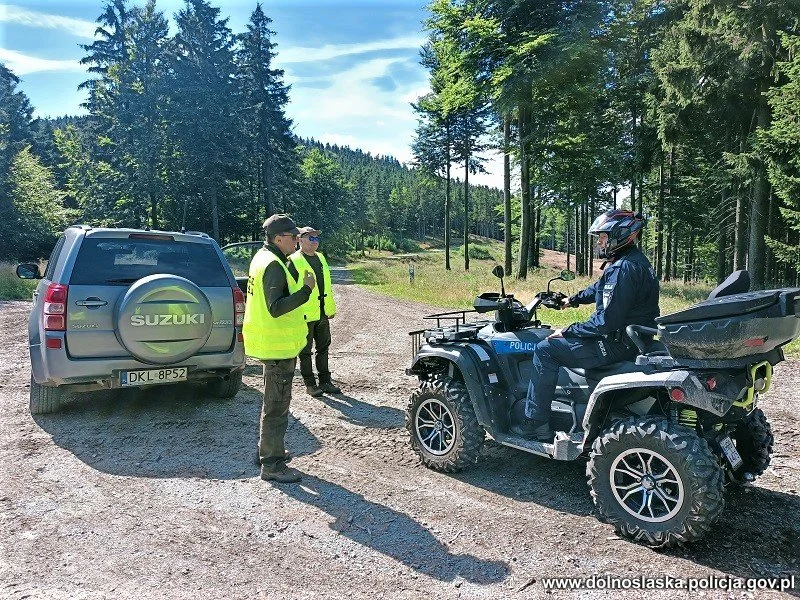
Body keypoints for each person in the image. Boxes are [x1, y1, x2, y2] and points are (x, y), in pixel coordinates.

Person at [511, 210, 660, 442]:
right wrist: (572, 300)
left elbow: (605, 322)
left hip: (614, 344)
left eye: (603, 236)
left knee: (545, 349)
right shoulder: (635, 262)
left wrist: (568, 330)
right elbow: (601, 288)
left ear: (621, 235)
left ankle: (535, 423)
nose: (600, 242)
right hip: (632, 340)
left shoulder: (622, 269)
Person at [243, 214, 316, 483]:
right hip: (277, 346)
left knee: (272, 402)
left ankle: (267, 451)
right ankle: (272, 465)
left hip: (272, 343)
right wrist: (306, 290)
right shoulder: (272, 264)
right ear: (278, 239)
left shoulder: (263, 258)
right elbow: (276, 308)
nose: (297, 240)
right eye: (293, 237)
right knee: (277, 406)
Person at [290, 226, 341, 397]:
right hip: (304, 314)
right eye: (310, 238)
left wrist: (329, 309)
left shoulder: (321, 258)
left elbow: (327, 286)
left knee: (324, 348)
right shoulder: (293, 260)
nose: (315, 242)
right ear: (300, 239)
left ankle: (325, 382)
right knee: (305, 351)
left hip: (321, 312)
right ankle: (310, 384)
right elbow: (289, 289)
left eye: (316, 238)